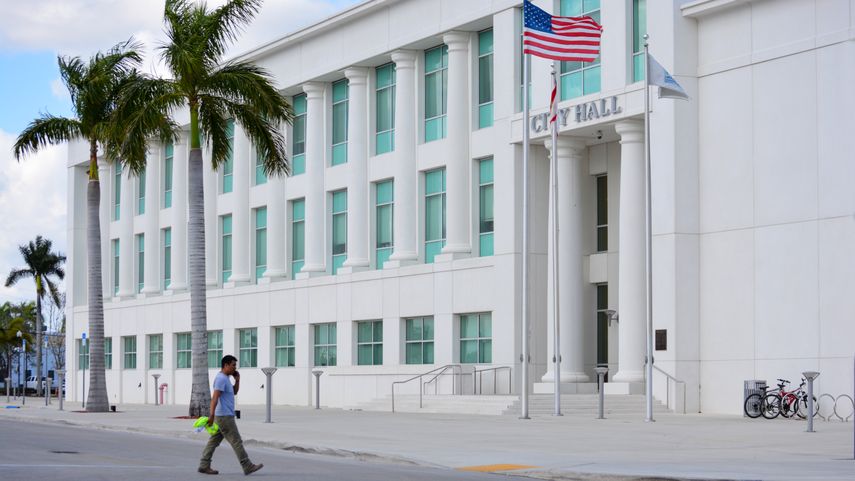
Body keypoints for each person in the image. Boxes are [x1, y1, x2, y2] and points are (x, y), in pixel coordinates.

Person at [198, 355, 263, 475]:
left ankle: (204, 464)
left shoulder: (225, 378)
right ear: (226, 365)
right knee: (236, 441)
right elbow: (215, 398)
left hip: (223, 415)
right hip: (224, 416)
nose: (235, 367)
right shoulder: (221, 379)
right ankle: (247, 465)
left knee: (214, 441)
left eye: (235, 365)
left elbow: (234, 392)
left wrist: (237, 380)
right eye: (233, 365)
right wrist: (211, 415)